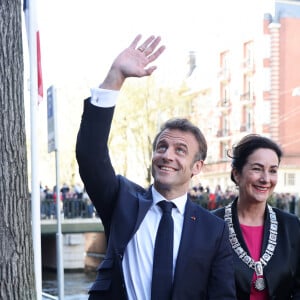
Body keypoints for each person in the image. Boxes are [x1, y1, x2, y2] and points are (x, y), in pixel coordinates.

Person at [76, 34, 236, 300]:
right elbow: (91, 156)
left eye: (180, 150)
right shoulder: (122, 202)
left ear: (197, 167)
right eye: (162, 147)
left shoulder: (214, 230)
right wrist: (115, 77)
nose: (167, 155)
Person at [212, 134, 300, 299]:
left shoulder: (291, 225)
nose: (266, 179)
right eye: (257, 168)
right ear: (237, 174)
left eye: (273, 170)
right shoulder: (211, 225)